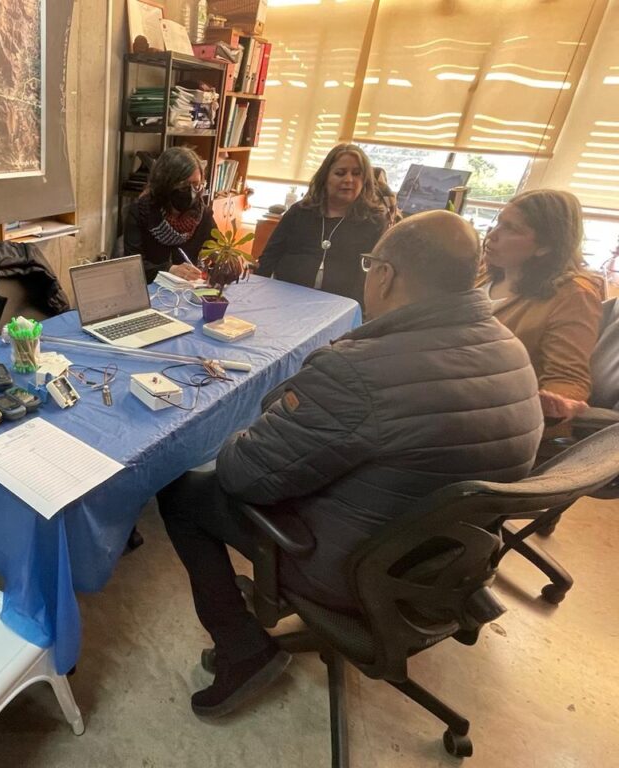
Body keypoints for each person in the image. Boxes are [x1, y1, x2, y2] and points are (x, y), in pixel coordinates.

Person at [158, 210, 543, 719]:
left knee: (182, 492)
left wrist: (260, 420)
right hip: (442, 559)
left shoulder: (356, 372)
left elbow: (242, 473)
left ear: (384, 273)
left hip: (352, 565)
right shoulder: (511, 348)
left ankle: (242, 647)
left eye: (369, 263)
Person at [480, 189, 606, 422]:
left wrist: (557, 402)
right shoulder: (485, 274)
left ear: (545, 246)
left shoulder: (573, 295)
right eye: (498, 223)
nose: (492, 235)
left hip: (498, 419)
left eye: (511, 229)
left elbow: (569, 380)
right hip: (452, 397)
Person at [256, 144, 387, 303]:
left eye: (356, 174)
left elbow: (373, 275)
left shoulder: (373, 221)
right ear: (325, 177)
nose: (348, 180)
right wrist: (256, 295)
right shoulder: (299, 211)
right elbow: (270, 256)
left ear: (364, 180)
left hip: (340, 307)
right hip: (284, 300)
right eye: (340, 173)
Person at [123, 146, 218, 284]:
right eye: (184, 185)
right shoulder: (141, 212)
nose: (191, 192)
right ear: (165, 183)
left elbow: (216, 248)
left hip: (188, 290)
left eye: (196, 185)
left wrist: (226, 257)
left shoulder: (203, 214)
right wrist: (169, 269)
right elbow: (131, 265)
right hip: (152, 289)